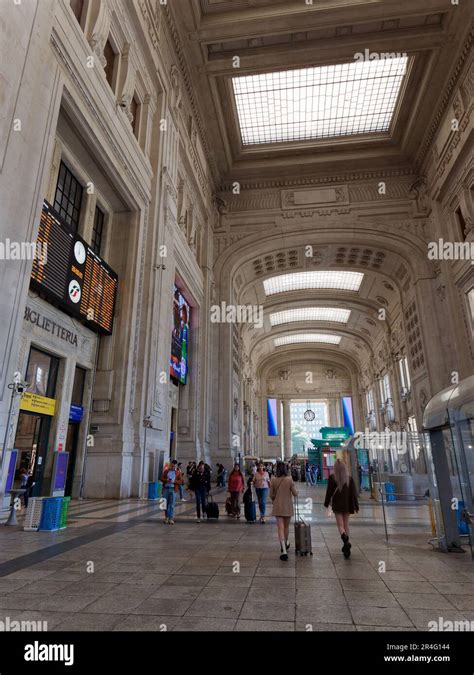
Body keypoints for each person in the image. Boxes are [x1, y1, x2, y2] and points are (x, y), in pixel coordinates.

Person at [324, 459, 359, 559]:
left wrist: (326, 503)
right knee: (346, 524)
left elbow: (329, 492)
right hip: (347, 505)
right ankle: (346, 543)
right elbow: (354, 494)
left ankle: (345, 542)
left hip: (338, 505)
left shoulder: (332, 478)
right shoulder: (349, 479)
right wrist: (356, 506)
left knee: (340, 525)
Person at [269, 461, 298, 561]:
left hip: (278, 506)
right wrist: (296, 491)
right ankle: (285, 543)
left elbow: (271, 495)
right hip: (287, 506)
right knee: (286, 527)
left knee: (280, 528)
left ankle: (284, 550)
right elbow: (295, 493)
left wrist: (275, 500)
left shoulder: (273, 480)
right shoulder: (289, 479)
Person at [161, 459, 182, 524]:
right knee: (165, 504)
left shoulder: (178, 472)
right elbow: (161, 478)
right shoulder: (166, 471)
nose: (173, 467)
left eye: (174, 466)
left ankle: (171, 518)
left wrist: (174, 481)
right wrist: (166, 480)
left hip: (173, 489)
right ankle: (166, 517)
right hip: (166, 489)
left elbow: (181, 481)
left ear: (176, 466)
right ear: (170, 465)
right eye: (172, 466)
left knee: (172, 504)